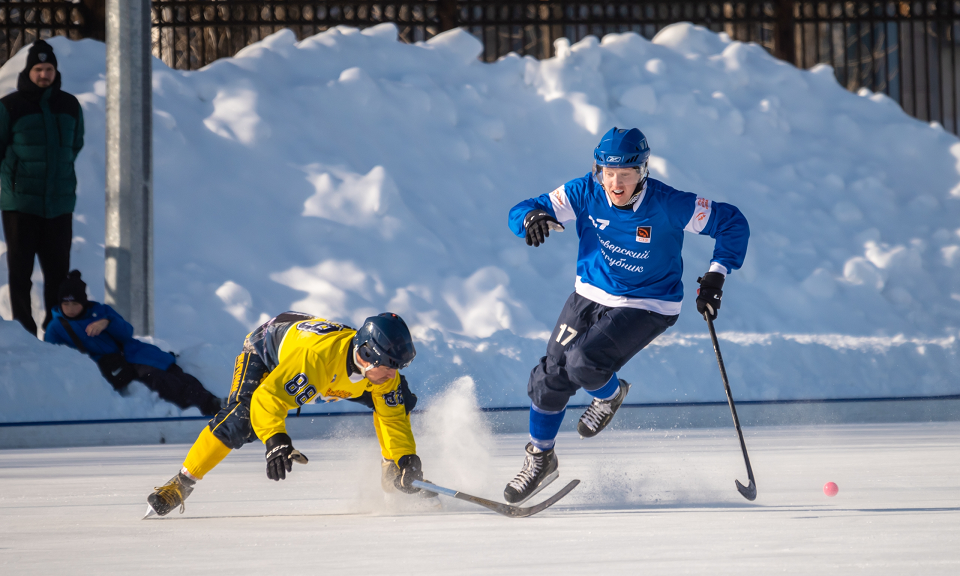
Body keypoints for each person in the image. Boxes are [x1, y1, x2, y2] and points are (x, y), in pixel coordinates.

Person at [503, 127, 750, 504]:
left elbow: (732, 223)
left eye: (627, 174)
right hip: (590, 293)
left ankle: (610, 394)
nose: (616, 184)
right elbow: (522, 208)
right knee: (549, 377)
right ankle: (541, 457)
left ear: (643, 172)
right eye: (609, 173)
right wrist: (530, 218)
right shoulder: (585, 191)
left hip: (648, 303)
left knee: (584, 362)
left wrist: (716, 274)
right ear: (598, 169)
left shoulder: (668, 204)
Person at [145, 311, 432, 517]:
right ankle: (181, 483)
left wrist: (405, 456)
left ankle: (390, 469)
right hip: (267, 352)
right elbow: (267, 399)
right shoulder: (315, 362)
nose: (393, 373)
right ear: (366, 355)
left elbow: (393, 417)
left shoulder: (382, 373)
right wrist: (275, 440)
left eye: (398, 366)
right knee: (240, 419)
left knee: (399, 399)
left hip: (320, 358)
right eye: (389, 365)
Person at [44, 270, 221, 415]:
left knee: (175, 371)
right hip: (114, 364)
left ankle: (214, 402)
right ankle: (205, 408)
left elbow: (127, 332)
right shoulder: (56, 328)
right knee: (161, 379)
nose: (70, 309)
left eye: (75, 303)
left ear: (83, 301)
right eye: (66, 304)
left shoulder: (100, 311)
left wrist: (107, 323)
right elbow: (55, 358)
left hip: (134, 352)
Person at [1, 39, 84, 336]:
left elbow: (75, 145)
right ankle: (24, 330)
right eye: (38, 69)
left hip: (59, 205)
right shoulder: (10, 106)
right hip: (20, 206)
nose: (44, 74)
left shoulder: (70, 105)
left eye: (48, 69)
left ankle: (55, 329)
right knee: (20, 273)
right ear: (29, 71)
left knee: (57, 274)